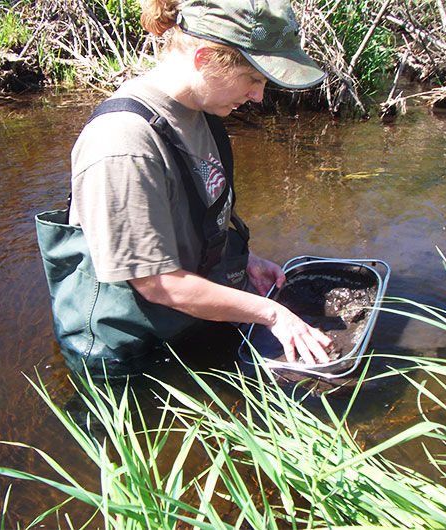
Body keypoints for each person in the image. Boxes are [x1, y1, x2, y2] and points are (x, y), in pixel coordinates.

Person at [38, 0, 333, 377]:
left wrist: (245, 261)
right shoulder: (123, 145)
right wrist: (272, 313)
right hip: (128, 356)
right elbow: (158, 284)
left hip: (182, 325)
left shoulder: (200, 109)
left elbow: (193, 217)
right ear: (205, 58)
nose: (259, 96)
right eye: (253, 78)